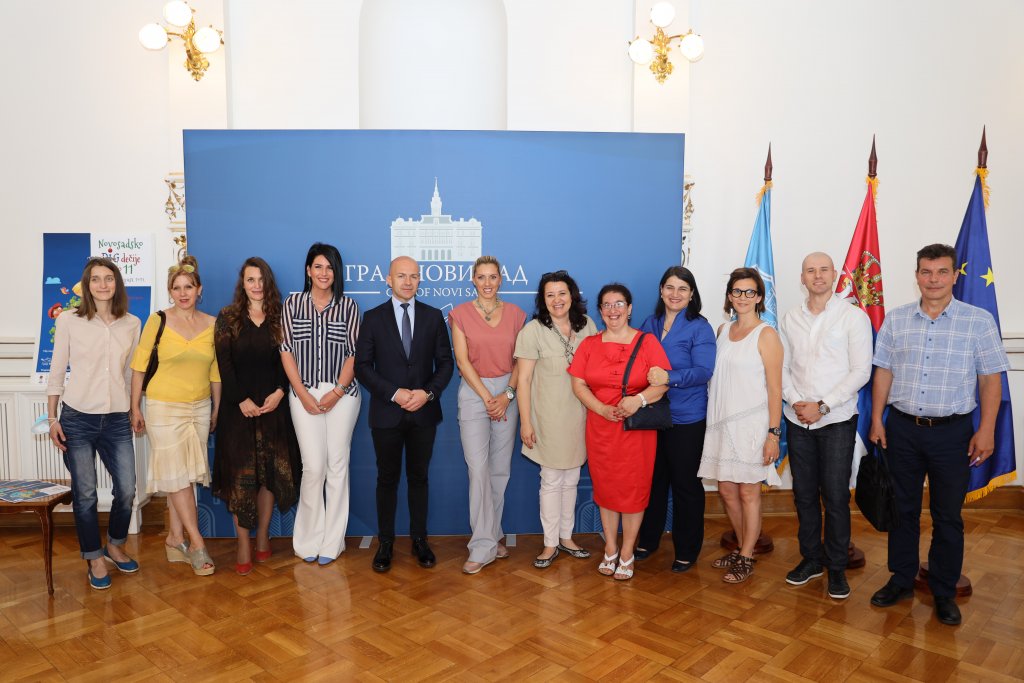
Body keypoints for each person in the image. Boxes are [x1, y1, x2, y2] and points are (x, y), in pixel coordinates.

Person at [868, 243, 1009, 626]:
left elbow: (990, 380)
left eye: (942, 271)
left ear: (954, 275)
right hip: (902, 429)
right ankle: (901, 579)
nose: (934, 279)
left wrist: (986, 430)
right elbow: (883, 371)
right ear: (917, 275)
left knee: (947, 515)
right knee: (903, 509)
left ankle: (944, 590)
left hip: (953, 434)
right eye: (927, 272)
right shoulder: (896, 320)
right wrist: (877, 419)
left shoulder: (978, 321)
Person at [779, 252, 872, 599]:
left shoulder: (853, 317)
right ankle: (811, 560)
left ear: (834, 275)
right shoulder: (790, 318)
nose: (817, 276)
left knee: (835, 496)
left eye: (823, 270)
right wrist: (796, 401)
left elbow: (861, 371)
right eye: (810, 270)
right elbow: (783, 367)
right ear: (802, 278)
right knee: (803, 494)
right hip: (797, 418)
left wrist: (822, 406)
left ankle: (836, 567)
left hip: (836, 420)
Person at [355, 256, 454, 573]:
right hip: (387, 412)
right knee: (386, 479)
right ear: (389, 280)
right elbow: (362, 367)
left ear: (419, 280)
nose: (408, 282)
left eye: (413, 276)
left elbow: (446, 363)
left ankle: (419, 540)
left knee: (419, 478)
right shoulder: (372, 318)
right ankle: (385, 543)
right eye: (401, 276)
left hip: (424, 413)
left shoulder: (433, 317)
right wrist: (394, 393)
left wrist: (428, 393)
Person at [47, 258, 141, 590]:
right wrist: (52, 418)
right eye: (96, 279)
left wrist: (133, 409)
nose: (103, 285)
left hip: (117, 418)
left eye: (108, 278)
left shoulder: (132, 323)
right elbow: (57, 369)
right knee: (85, 493)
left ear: (117, 283)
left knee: (127, 489)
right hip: (77, 418)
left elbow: (129, 373)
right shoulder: (69, 320)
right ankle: (94, 557)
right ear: (87, 286)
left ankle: (114, 544)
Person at [569, 283, 670, 581]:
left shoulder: (647, 342)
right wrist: (600, 409)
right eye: (607, 305)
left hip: (636, 430)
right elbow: (578, 384)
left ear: (629, 308)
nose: (613, 310)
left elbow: (662, 383)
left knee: (634, 490)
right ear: (600, 311)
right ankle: (610, 548)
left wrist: (638, 400)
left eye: (619, 304)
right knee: (607, 489)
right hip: (601, 427)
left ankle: (627, 552)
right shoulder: (589, 345)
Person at [130, 255, 221, 576]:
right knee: (178, 475)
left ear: (199, 289)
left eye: (188, 287)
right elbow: (139, 367)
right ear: (170, 291)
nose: (183, 293)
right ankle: (197, 544)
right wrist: (134, 407)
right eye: (177, 288)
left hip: (200, 407)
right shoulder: (158, 321)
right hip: (163, 407)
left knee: (182, 475)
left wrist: (216, 408)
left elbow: (215, 372)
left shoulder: (212, 324)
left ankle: (174, 538)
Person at [213, 257, 301, 576]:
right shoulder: (228, 318)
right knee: (242, 479)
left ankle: (263, 535)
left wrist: (280, 391)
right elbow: (224, 364)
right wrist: (241, 399)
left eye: (262, 279)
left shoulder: (281, 318)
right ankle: (242, 543)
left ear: (269, 282)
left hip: (273, 409)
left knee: (268, 476)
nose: (257, 285)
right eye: (251, 279)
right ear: (243, 284)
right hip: (238, 412)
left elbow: (288, 362)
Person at [698, 267, 783, 584]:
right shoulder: (722, 330)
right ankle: (741, 545)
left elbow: (776, 390)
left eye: (750, 292)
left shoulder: (767, 335)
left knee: (748, 492)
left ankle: (747, 555)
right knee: (726, 490)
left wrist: (773, 434)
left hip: (751, 425)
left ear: (759, 297)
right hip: (721, 424)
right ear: (729, 296)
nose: (743, 297)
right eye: (737, 291)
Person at [280, 243, 361, 565]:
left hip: (342, 395)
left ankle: (332, 542)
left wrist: (337, 391)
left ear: (336, 272)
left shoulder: (348, 306)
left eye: (329, 267)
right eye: (318, 266)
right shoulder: (293, 303)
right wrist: (301, 392)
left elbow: (354, 354)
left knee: (337, 465)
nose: (324, 273)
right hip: (304, 393)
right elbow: (286, 349)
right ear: (308, 270)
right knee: (313, 467)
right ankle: (308, 540)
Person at [449, 256, 527, 574]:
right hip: (473, 392)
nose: (487, 283)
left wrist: (506, 395)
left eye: (492, 277)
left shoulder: (517, 315)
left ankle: (493, 535)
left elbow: (521, 360)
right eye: (481, 277)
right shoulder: (460, 314)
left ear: (500, 280)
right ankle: (482, 545)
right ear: (473, 280)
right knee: (478, 470)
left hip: (508, 392)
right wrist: (487, 398)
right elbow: (462, 361)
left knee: (499, 470)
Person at [514, 270, 598, 569]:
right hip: (547, 418)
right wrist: (526, 422)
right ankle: (550, 543)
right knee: (551, 480)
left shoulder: (587, 325)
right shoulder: (532, 331)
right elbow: (523, 381)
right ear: (543, 300)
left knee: (572, 479)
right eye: (550, 295)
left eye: (562, 293)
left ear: (572, 295)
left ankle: (566, 537)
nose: (557, 300)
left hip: (581, 416)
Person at [635, 266, 715, 573]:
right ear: (661, 290)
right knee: (654, 482)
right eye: (670, 287)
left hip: (686, 418)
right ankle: (649, 539)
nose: (675, 294)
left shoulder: (700, 327)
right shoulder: (650, 323)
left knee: (685, 485)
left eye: (682, 288)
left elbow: (704, 371)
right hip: (652, 415)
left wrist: (670, 377)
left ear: (691, 294)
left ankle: (687, 549)